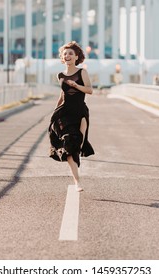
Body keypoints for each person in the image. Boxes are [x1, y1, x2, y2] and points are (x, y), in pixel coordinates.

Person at [48, 41, 94, 192]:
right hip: (64, 113)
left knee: (78, 144)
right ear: (62, 57)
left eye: (70, 54)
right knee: (68, 144)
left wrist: (76, 86)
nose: (67, 55)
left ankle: (77, 172)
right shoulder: (60, 75)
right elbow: (62, 94)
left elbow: (89, 90)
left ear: (76, 57)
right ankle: (77, 182)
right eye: (65, 53)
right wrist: (55, 111)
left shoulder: (82, 72)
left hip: (80, 112)